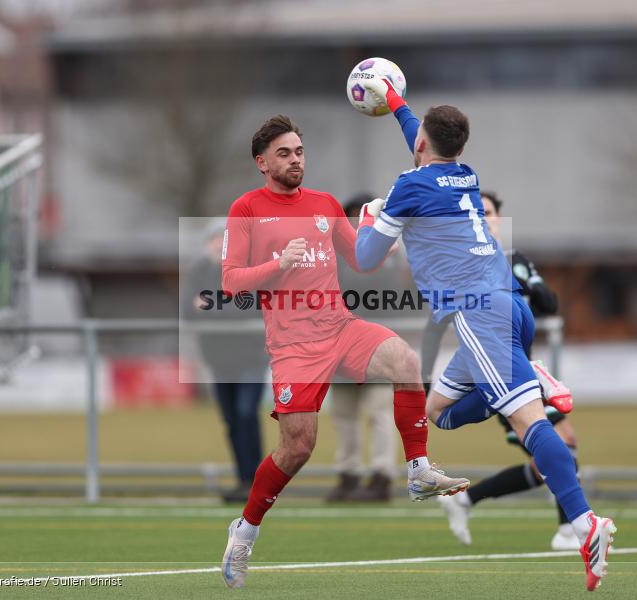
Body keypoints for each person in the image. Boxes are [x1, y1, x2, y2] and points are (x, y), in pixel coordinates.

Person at [354, 79, 616, 591]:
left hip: (480, 315)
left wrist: (369, 217)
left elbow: (365, 259)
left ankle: (587, 524)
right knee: (438, 415)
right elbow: (423, 138)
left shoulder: (409, 187)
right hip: (504, 308)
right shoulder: (464, 174)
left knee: (531, 424)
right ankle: (528, 379)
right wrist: (397, 102)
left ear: (423, 146)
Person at [219, 115, 469, 589]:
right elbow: (230, 282)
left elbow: (361, 260)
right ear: (262, 162)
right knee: (298, 448)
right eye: (284, 154)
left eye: (299, 151)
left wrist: (384, 232)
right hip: (293, 345)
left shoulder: (325, 204)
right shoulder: (246, 208)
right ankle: (246, 530)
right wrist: (278, 263)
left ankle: (417, 469)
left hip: (340, 327)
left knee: (405, 361)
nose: (295, 160)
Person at [425, 192, 581, 550]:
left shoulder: (515, 261)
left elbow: (549, 304)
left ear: (498, 220)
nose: (484, 218)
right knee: (559, 446)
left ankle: (466, 499)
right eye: (478, 213)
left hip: (518, 368)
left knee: (552, 456)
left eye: (490, 212)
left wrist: (529, 283)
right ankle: (568, 530)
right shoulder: (465, 264)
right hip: (497, 371)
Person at [183, 218, 268, 504]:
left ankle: (258, 481)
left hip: (251, 356)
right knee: (231, 420)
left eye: (223, 239)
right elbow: (187, 308)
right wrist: (219, 304)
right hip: (218, 359)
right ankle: (244, 480)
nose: (217, 245)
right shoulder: (199, 271)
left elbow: (248, 308)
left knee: (246, 413)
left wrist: (211, 305)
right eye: (213, 239)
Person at [325, 194, 398, 503]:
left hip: (378, 346)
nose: (358, 224)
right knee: (344, 415)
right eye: (353, 218)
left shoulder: (390, 255)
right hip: (340, 347)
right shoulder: (333, 254)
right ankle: (348, 475)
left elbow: (374, 283)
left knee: (380, 413)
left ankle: (381, 477)